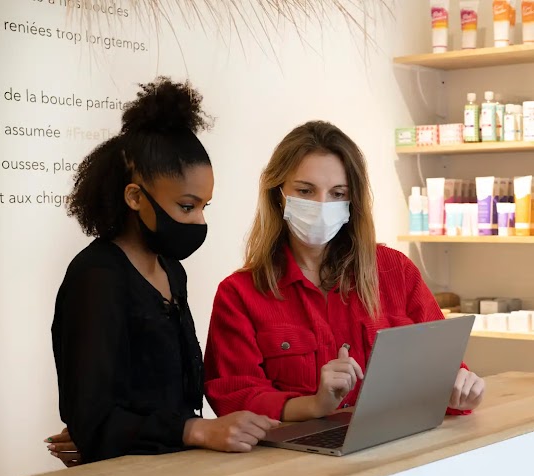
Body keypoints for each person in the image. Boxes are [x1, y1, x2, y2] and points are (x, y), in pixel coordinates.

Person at [45, 77, 278, 466]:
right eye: (187, 207)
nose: (199, 220)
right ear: (135, 197)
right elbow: (94, 420)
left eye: (205, 206)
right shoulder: (96, 278)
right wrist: (195, 430)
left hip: (174, 469)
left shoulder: (171, 270)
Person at [203, 120, 485, 422]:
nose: (322, 204)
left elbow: (443, 368)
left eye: (338, 194)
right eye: (305, 190)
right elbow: (233, 398)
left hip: (394, 449)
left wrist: (463, 387)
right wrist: (313, 406)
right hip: (292, 460)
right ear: (278, 194)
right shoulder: (240, 293)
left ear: (353, 202)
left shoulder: (395, 271)